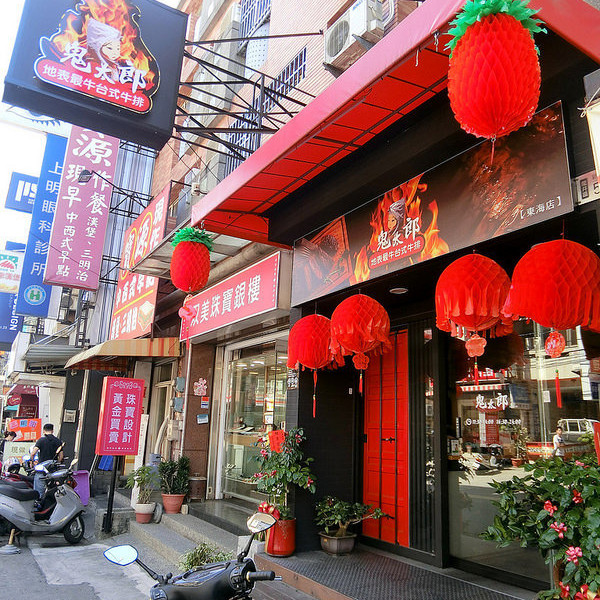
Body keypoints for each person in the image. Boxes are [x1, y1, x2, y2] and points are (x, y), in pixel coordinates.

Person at [31, 424, 64, 497]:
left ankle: (39, 499)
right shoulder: (58, 441)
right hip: (53, 468)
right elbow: (61, 456)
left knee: (39, 487)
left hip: (42, 468)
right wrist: (57, 463)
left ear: (44, 431)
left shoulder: (41, 440)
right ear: (52, 431)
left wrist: (33, 462)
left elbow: (33, 453)